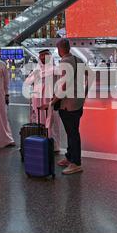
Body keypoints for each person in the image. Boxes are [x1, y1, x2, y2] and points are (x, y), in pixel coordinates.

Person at [41, 39, 90, 175]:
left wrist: (52, 102)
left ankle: (76, 163)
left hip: (69, 104)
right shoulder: (77, 59)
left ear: (59, 49)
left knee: (73, 133)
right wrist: (84, 94)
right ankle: (70, 157)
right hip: (78, 102)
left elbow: (64, 86)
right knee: (71, 131)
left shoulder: (64, 62)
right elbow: (90, 75)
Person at [24, 49, 64, 152]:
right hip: (37, 100)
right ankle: (41, 143)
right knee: (39, 121)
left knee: (53, 122)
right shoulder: (36, 70)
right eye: (41, 56)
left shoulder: (56, 69)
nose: (43, 58)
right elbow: (27, 82)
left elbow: (61, 85)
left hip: (50, 100)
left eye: (45, 55)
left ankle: (54, 146)